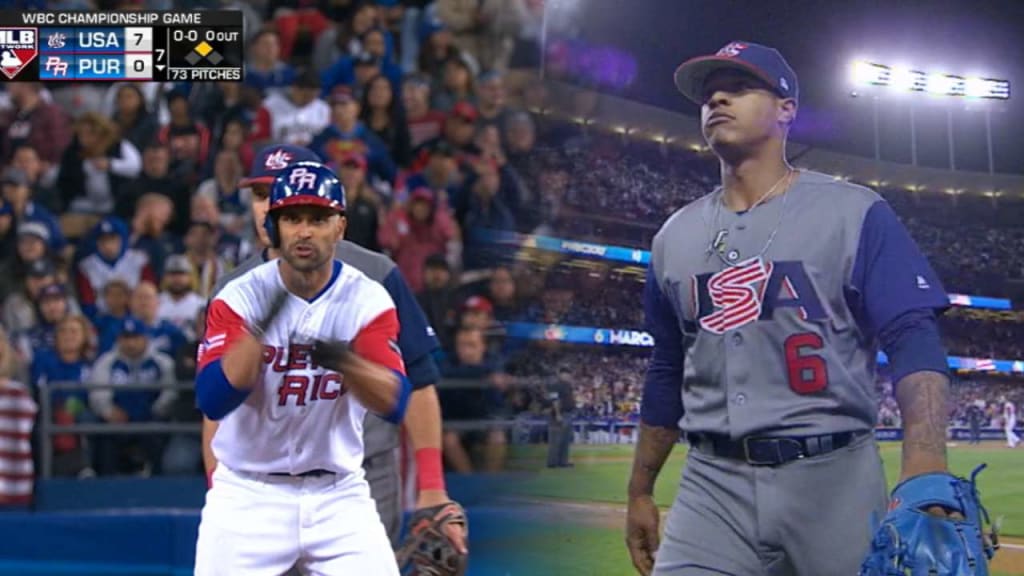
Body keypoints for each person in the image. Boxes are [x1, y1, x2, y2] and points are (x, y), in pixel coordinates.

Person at [625, 41, 995, 576]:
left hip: (835, 481)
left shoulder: (854, 210)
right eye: (709, 93)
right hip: (710, 487)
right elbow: (667, 367)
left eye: (740, 87)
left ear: (786, 108)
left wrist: (925, 465)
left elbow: (912, 334)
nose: (718, 99)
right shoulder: (672, 237)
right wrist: (640, 489)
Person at [202, 144, 467, 569]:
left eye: (280, 192)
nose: (268, 204)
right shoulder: (235, 290)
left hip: (355, 469)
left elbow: (417, 382)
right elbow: (216, 410)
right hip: (256, 482)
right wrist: (221, 490)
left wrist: (432, 487)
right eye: (260, 195)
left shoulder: (375, 278)